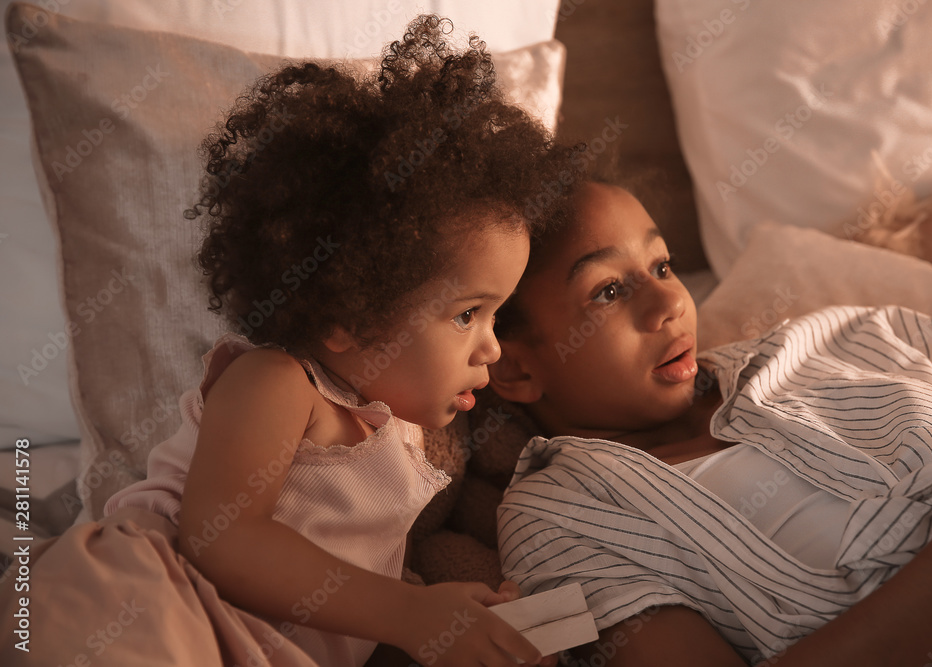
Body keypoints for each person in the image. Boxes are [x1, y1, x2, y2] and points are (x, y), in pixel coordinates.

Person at [0, 16, 581, 667]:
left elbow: (343, 592)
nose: (492, 348)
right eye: (468, 314)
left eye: (497, 317)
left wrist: (446, 615)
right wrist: (410, 613)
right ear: (349, 314)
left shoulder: (406, 440)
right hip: (156, 596)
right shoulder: (278, 384)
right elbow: (225, 540)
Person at [487, 180, 932, 666]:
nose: (671, 303)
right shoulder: (558, 517)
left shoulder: (822, 342)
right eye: (609, 292)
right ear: (516, 368)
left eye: (662, 266)